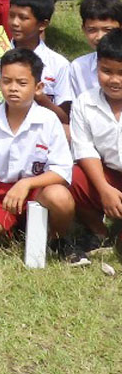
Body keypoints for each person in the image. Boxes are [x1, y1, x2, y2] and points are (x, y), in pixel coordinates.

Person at [0, 47, 77, 259]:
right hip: (0, 194)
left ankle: (56, 239)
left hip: (36, 192)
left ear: (38, 87)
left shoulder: (49, 120)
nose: (13, 88)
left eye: (22, 83)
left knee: (60, 197)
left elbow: (62, 171)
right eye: (6, 81)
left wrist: (26, 184)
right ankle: (13, 227)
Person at [69, 29, 122, 252]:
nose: (115, 80)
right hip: (110, 175)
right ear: (97, 67)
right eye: (106, 71)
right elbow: (84, 149)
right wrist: (104, 190)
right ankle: (99, 231)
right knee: (70, 177)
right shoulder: (84, 102)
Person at [6, 0, 71, 122]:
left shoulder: (58, 64)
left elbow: (65, 119)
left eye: (23, 18)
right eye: (11, 15)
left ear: (43, 24)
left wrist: (40, 98)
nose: (14, 23)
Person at [67, 0, 122, 98]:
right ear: (84, 29)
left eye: (107, 29)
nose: (99, 37)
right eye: (92, 30)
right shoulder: (78, 67)